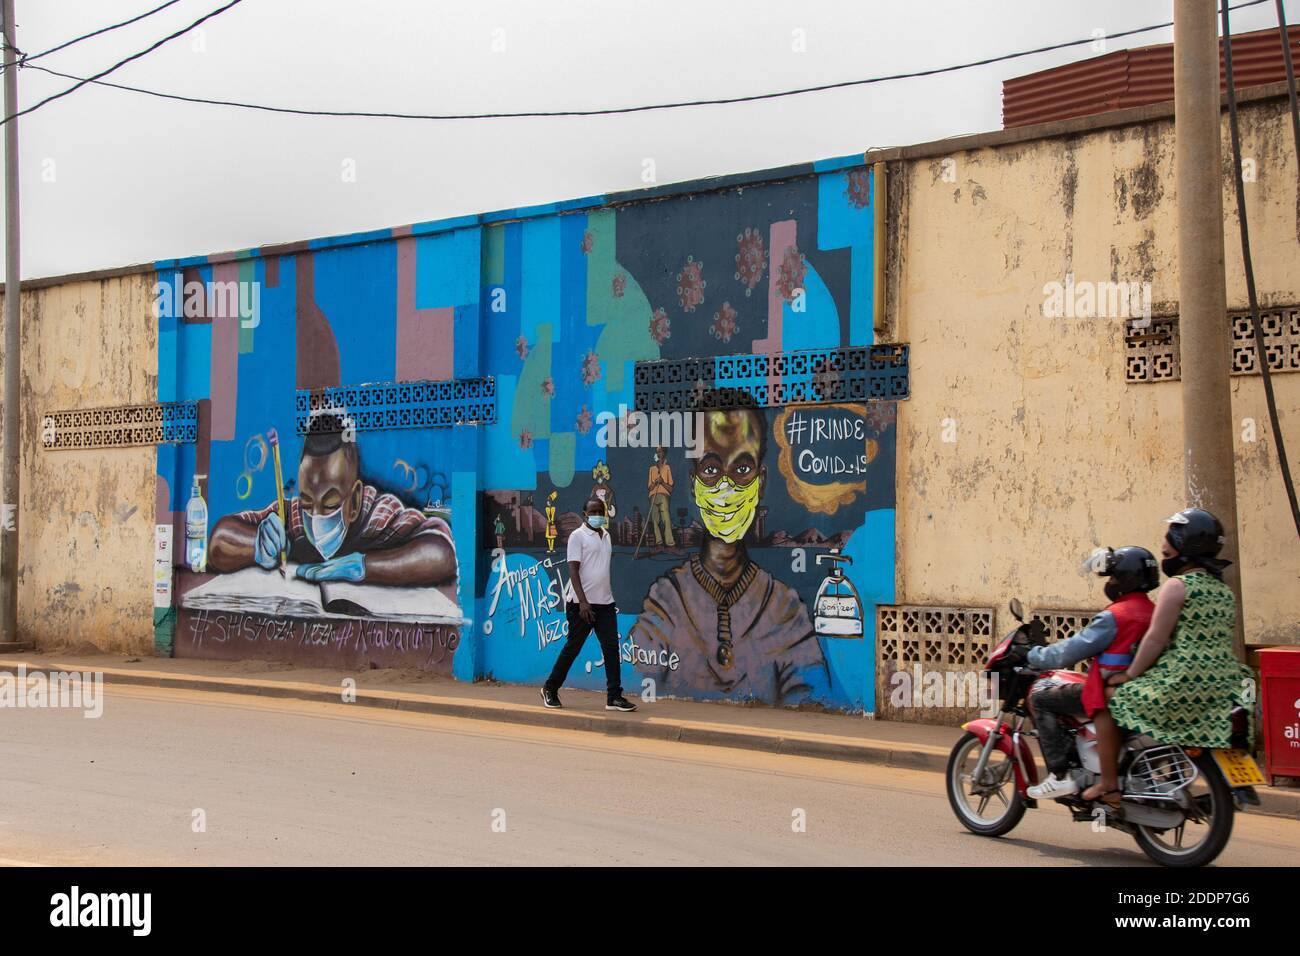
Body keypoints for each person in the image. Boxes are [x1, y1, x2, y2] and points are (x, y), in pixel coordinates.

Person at [628, 405, 829, 706]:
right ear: (694, 484)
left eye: (742, 469)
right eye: (710, 469)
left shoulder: (785, 612)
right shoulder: (666, 602)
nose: (726, 486)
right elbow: (638, 671)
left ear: (761, 482)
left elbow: (811, 696)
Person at [1083, 508, 1255, 806]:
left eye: (1168, 543)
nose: (1164, 548)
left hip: (1182, 678)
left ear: (1184, 545)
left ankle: (1109, 784)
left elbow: (1155, 639)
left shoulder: (1177, 587)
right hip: (1227, 680)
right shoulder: (1222, 590)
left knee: (1109, 698)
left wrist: (1130, 674)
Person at [209, 415, 455, 586]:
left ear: (355, 500)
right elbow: (220, 540)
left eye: (330, 504)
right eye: (307, 502)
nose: (315, 516)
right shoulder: (291, 516)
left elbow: (441, 551)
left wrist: (365, 567)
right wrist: (255, 544)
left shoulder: (377, 512)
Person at [1020, 546, 1158, 800]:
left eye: (1113, 577)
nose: (1110, 582)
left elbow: (1070, 651)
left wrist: (1032, 655)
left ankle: (1059, 776)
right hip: (1141, 688)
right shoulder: (1154, 612)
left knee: (1041, 699)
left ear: (1125, 579)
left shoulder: (1114, 616)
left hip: (1106, 688)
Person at [540, 498, 637, 712]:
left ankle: (614, 697)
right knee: (573, 648)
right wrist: (583, 602)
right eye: (593, 511)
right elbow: (573, 570)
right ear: (585, 513)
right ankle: (550, 688)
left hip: (605, 603)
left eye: (600, 511)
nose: (597, 514)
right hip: (581, 605)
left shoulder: (606, 536)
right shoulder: (578, 537)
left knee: (611, 649)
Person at [646, 446, 675, 548]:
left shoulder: (667, 468)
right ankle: (659, 543)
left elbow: (670, 488)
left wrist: (662, 482)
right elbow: (649, 488)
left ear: (664, 453)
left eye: (661, 451)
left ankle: (670, 543)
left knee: (666, 519)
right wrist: (655, 482)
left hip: (663, 496)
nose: (659, 454)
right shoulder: (652, 469)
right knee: (655, 520)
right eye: (657, 452)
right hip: (653, 496)